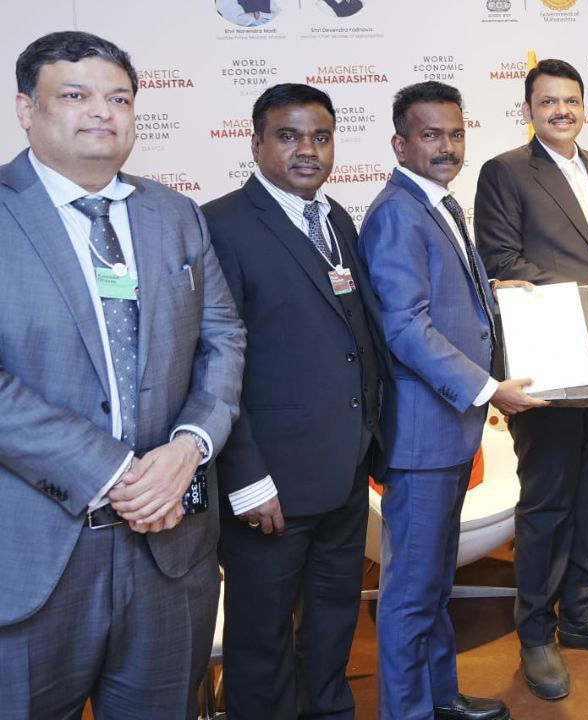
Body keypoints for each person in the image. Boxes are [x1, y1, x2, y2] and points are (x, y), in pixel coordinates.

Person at [0, 31, 245, 718]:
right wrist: (119, 473)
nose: (101, 112)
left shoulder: (174, 216)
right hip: (33, 560)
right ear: (26, 108)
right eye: (74, 95)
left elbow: (223, 338)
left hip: (170, 554)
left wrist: (189, 447)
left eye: (118, 98)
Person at [202, 83, 392, 720]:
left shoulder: (336, 217)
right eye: (288, 136)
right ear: (255, 143)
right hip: (270, 485)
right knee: (261, 642)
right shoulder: (221, 225)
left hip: (342, 473)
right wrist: (247, 478)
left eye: (320, 135)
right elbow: (214, 365)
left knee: (334, 620)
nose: (307, 149)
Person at [360, 80, 546, 720]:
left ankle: (439, 699)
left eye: (456, 133)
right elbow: (405, 327)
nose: (446, 146)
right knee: (411, 593)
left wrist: (497, 292)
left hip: (446, 431)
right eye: (430, 135)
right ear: (400, 142)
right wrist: (490, 387)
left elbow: (442, 297)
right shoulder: (395, 212)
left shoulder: (438, 202)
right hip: (422, 435)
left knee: (434, 587)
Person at [473, 58, 588, 701]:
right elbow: (503, 264)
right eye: (548, 102)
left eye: (571, 101)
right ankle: (536, 635)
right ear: (528, 109)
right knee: (546, 501)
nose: (561, 111)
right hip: (550, 362)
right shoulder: (504, 173)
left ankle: (583, 613)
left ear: (584, 105)